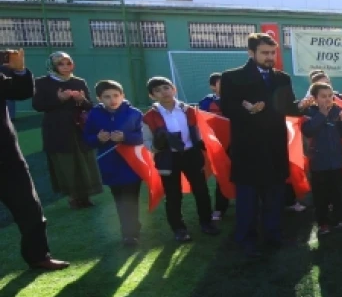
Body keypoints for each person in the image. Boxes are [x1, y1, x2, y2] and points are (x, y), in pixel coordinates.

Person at [220, 32, 300, 258]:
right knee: (248, 200)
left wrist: (302, 105)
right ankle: (246, 239)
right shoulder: (232, 77)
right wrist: (246, 108)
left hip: (275, 147)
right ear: (251, 53)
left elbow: (288, 107)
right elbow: (227, 107)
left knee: (274, 197)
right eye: (265, 53)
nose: (269, 57)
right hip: (248, 149)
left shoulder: (282, 78)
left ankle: (273, 235)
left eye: (272, 52)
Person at [0, 48, 68, 271]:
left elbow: (21, 92)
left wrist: (19, 70)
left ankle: (39, 256)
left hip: (8, 156)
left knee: (30, 209)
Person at [143, 77, 219, 243]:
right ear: (152, 96)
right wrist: (158, 145)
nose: (163, 92)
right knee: (173, 195)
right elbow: (147, 142)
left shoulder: (189, 110)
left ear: (174, 89)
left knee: (201, 190)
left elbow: (201, 131)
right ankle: (179, 229)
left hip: (191, 154)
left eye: (166, 87)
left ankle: (207, 222)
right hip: (168, 158)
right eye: (158, 90)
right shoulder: (149, 117)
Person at [32, 51, 102, 209]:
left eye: (68, 63)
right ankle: (73, 197)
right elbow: (38, 105)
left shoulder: (79, 82)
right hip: (57, 129)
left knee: (84, 160)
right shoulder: (42, 82)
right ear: (52, 66)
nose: (65, 67)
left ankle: (86, 196)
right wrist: (59, 99)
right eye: (60, 64)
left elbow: (89, 105)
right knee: (65, 162)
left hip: (79, 128)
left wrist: (81, 100)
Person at [83, 80, 145, 247]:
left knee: (131, 198)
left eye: (116, 95)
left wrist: (125, 138)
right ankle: (129, 228)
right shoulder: (94, 114)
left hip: (132, 164)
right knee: (119, 199)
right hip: (109, 164)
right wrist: (97, 138)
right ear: (99, 98)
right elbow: (87, 138)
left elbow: (144, 137)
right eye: (107, 97)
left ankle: (130, 233)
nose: (112, 100)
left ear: (123, 95)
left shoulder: (134, 113)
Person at [301, 81, 342, 235]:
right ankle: (323, 223)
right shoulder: (309, 112)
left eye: (330, 96)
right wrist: (321, 114)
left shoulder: (337, 111)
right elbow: (308, 130)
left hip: (336, 161)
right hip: (318, 161)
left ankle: (341, 219)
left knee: (338, 192)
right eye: (323, 96)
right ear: (314, 98)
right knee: (320, 195)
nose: (328, 99)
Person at [197, 72, 229, 222]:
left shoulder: (238, 100)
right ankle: (220, 208)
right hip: (217, 145)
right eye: (221, 83)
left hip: (238, 144)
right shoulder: (206, 102)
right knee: (221, 176)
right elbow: (201, 123)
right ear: (212, 86)